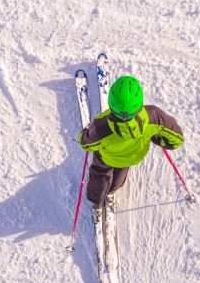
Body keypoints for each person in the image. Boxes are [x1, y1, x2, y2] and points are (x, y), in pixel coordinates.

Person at [77, 75, 185, 216]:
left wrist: (85, 133)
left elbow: (86, 144)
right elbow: (176, 140)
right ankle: (112, 191)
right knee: (122, 169)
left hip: (107, 158)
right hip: (133, 157)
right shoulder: (154, 116)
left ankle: (96, 201)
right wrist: (158, 139)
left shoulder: (101, 126)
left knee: (100, 173)